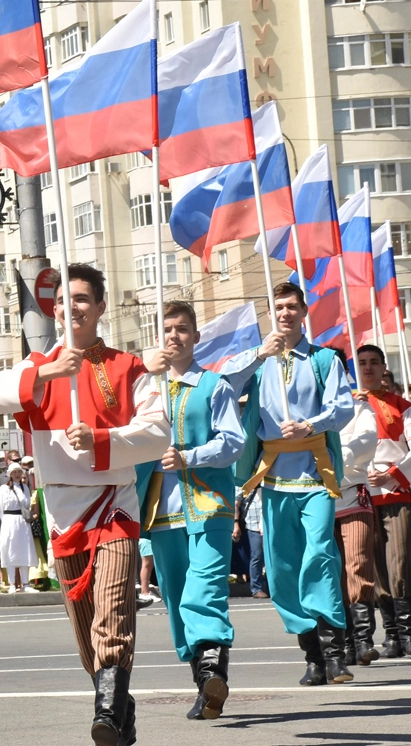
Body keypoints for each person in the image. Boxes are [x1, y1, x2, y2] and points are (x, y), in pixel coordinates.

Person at [0, 263, 169, 746]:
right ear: (56, 308)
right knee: (85, 626)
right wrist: (45, 372)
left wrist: (103, 438)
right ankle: (117, 704)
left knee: (112, 610)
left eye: (85, 298)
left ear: (101, 307)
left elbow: (157, 433)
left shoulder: (126, 367)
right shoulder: (39, 365)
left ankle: (106, 713)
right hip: (62, 511)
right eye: (66, 299)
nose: (74, 307)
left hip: (114, 505)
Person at [221, 283, 355, 687]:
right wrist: (256, 354)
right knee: (282, 568)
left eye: (292, 306)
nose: (285, 313)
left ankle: (335, 654)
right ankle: (311, 654)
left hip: (316, 474)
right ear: (271, 313)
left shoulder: (324, 360)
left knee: (320, 556)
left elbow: (344, 406)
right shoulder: (260, 363)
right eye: (278, 307)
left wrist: (310, 424)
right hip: (275, 477)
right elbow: (222, 385)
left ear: (304, 311)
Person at [132, 301, 244, 721]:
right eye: (167, 329)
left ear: (196, 337)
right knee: (178, 597)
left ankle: (215, 671)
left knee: (206, 589)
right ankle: (205, 685)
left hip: (208, 505)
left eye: (182, 328)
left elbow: (232, 441)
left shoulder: (215, 386)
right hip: (161, 512)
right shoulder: (148, 391)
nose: (174, 336)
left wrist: (190, 456)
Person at [352, 345, 411, 656]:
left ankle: (408, 632)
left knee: (399, 560)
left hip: (394, 492)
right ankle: (391, 632)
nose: (368, 368)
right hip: (358, 495)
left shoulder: (401, 406)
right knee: (371, 565)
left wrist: (393, 474)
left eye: (374, 362)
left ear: (384, 367)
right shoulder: (346, 405)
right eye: (361, 363)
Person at [332, 372, 379, 667]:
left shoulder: (360, 408)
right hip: (319, 498)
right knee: (333, 572)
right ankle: (343, 640)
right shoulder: (303, 408)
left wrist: (334, 456)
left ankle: (363, 640)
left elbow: (367, 442)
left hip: (352, 494)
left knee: (358, 562)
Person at [0, 460, 40, 593]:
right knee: (10, 551)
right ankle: (12, 584)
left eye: (18, 472)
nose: (16, 474)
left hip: (22, 522)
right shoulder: (4, 488)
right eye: (14, 472)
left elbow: (27, 505)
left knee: (24, 550)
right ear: (10, 474)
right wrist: (7, 521)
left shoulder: (25, 488)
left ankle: (26, 583)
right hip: (9, 521)